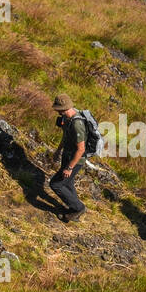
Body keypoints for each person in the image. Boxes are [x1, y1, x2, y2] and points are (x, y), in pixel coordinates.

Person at [48, 93, 87, 223]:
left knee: (56, 184)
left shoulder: (77, 124)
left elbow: (81, 149)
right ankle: (73, 210)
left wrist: (70, 167)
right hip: (67, 155)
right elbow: (66, 137)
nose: (56, 112)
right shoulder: (67, 119)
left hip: (75, 160)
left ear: (63, 108)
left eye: (58, 110)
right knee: (68, 183)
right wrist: (58, 150)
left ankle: (78, 208)